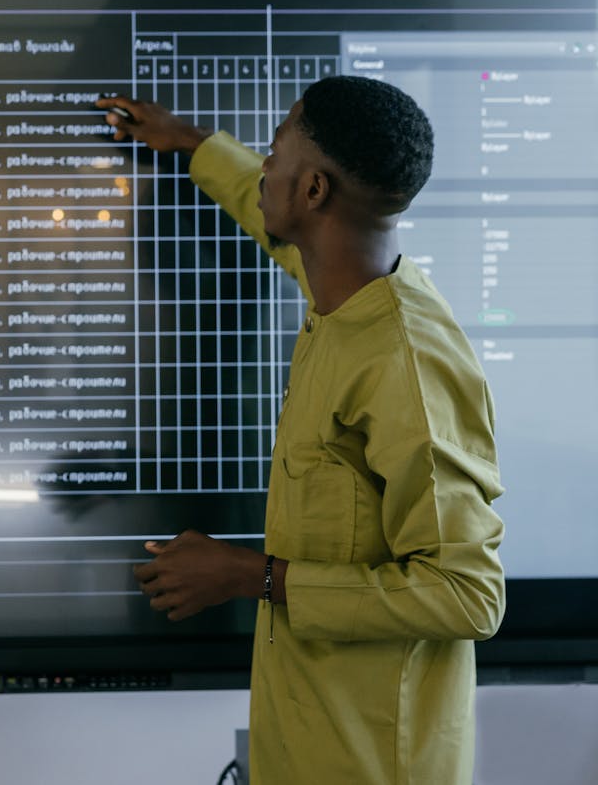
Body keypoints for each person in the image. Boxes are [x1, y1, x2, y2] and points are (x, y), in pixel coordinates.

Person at [99, 77, 505, 784]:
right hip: (306, 751)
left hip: (375, 765)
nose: (264, 165)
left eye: (277, 146)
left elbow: (466, 592)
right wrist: (191, 143)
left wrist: (248, 575)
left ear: (314, 191)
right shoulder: (342, 283)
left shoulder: (404, 363)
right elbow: (275, 227)